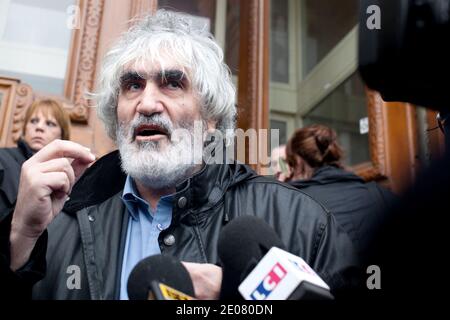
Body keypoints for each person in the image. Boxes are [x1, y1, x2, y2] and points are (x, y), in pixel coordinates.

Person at [0, 10, 360, 300]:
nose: (147, 103)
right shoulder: (56, 226)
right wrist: (18, 241)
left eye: (172, 83)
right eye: (133, 85)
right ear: (116, 113)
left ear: (210, 117)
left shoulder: (299, 223)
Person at [285, 124, 394, 263]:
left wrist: (281, 190)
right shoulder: (380, 195)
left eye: (290, 163)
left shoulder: (293, 204)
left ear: (299, 161)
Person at [0, 98, 71, 220]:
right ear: (24, 130)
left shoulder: (68, 179)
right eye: (33, 121)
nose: (39, 127)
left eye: (50, 124)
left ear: (62, 135)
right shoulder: (2, 158)